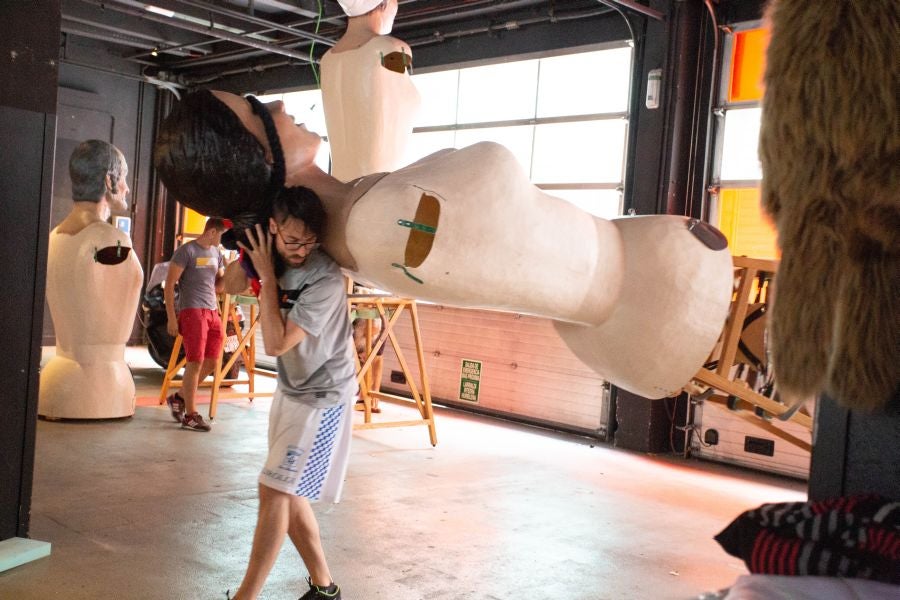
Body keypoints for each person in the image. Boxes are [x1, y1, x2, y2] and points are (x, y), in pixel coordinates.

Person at [154, 89, 734, 401]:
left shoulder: (366, 217)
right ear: (259, 158)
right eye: (260, 111)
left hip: (649, 279)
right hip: (658, 301)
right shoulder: (386, 227)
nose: (279, 105)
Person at [222, 186, 355, 600]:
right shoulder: (271, 254)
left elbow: (277, 343)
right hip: (291, 390)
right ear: (274, 228)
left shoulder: (325, 279)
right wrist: (249, 258)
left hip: (324, 398)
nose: (301, 250)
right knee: (288, 491)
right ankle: (325, 587)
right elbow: (227, 285)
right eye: (293, 240)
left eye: (309, 240)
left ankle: (246, 596)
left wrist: (264, 277)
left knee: (274, 489)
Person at [40, 140, 143, 419]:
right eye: (123, 178)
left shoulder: (54, 237)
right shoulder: (110, 240)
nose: (127, 188)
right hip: (102, 383)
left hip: (58, 378)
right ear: (109, 180)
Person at [320, 0, 420, 181]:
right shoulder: (391, 49)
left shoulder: (327, 60)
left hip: (340, 182)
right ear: (383, 4)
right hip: (379, 183)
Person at [164, 217, 227, 432]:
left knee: (212, 361)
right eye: (221, 235)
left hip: (212, 310)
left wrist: (236, 272)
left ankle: (179, 397)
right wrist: (172, 317)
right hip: (192, 310)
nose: (222, 240)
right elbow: (170, 285)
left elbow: (218, 285)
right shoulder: (186, 251)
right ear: (211, 231)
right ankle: (190, 415)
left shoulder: (217, 254)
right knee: (195, 362)